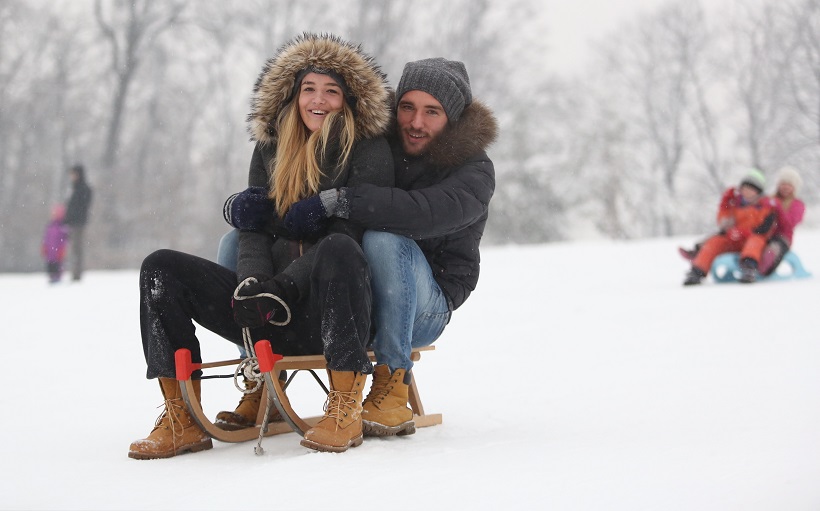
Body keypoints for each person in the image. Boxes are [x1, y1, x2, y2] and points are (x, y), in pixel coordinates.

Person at [128, 33, 393, 459]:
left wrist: (284, 287)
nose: (317, 100)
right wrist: (253, 283)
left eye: (332, 91)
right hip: (267, 313)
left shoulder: (369, 150)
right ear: (293, 94)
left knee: (340, 247)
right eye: (309, 88)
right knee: (161, 267)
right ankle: (179, 417)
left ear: (349, 100)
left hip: (334, 312)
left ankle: (344, 410)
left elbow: (353, 235)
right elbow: (251, 229)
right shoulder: (269, 148)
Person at [282, 57, 498, 436]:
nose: (416, 122)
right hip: (363, 299)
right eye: (408, 108)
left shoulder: (474, 170)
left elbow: (425, 214)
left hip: (427, 309)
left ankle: (391, 384)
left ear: (454, 117)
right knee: (238, 240)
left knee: (385, 236)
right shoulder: (377, 146)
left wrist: (343, 199)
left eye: (432, 112)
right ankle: (255, 377)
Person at [683, 169, 776, 285]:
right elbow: (723, 223)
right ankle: (697, 271)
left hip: (752, 238)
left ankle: (749, 268)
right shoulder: (734, 205)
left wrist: (746, 233)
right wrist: (725, 203)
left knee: (755, 242)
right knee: (715, 242)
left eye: (751, 189)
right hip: (733, 239)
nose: (747, 192)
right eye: (745, 188)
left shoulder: (765, 207)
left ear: (758, 192)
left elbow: (765, 229)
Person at [759, 166, 805, 276]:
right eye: (783, 184)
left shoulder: (797, 204)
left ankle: (763, 271)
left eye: (789, 185)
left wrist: (778, 207)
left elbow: (789, 224)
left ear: (794, 188)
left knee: (773, 249)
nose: (785, 187)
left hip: (782, 238)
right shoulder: (769, 200)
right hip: (765, 235)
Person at [63, 164, 92, 281]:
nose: (72, 177)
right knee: (74, 249)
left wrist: (72, 217)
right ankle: (74, 273)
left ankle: (77, 275)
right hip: (72, 223)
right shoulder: (74, 188)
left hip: (78, 223)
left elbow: (81, 207)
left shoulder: (83, 189)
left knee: (77, 249)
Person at [41, 204, 69, 284]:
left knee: (58, 264)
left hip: (58, 251)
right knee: (50, 265)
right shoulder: (50, 225)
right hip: (50, 251)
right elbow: (46, 237)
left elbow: (64, 240)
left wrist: (62, 249)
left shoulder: (63, 226)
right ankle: (51, 276)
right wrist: (44, 246)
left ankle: (57, 277)